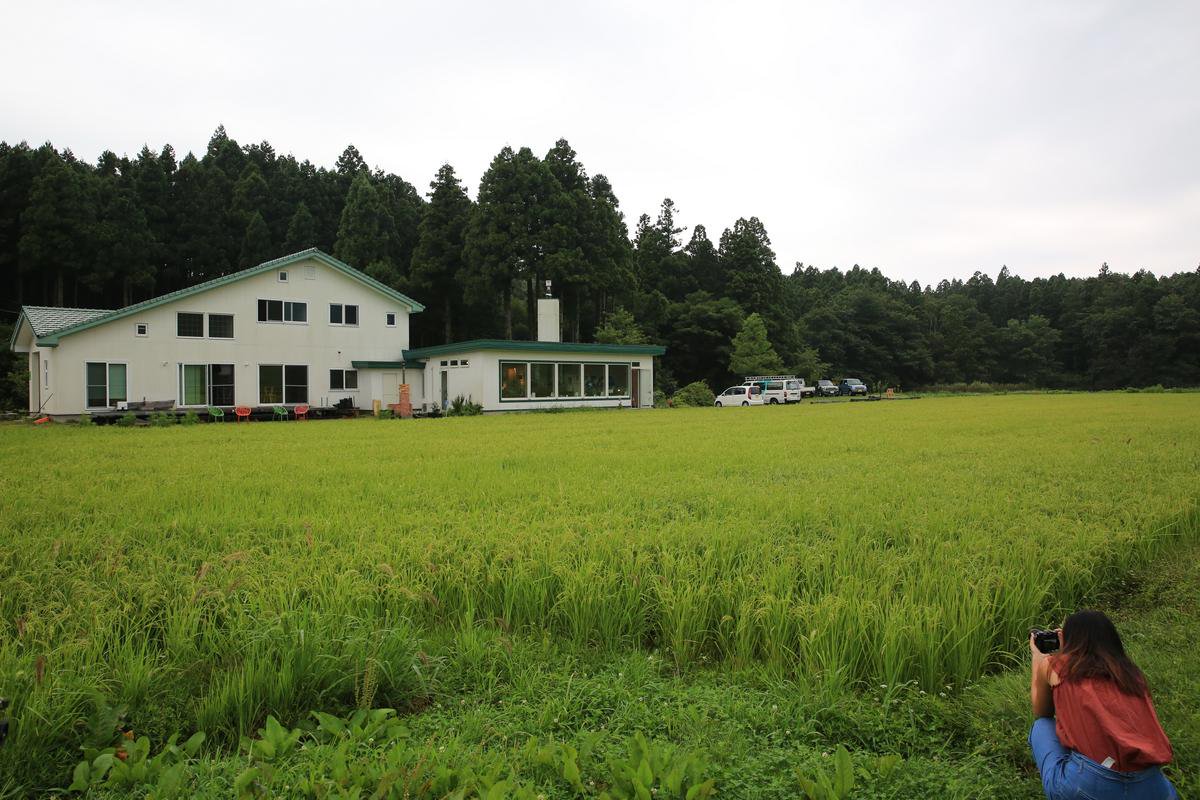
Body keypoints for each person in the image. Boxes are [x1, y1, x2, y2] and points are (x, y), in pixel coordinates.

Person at [1028, 609, 1177, 799]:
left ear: (1069, 639)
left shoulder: (1057, 666)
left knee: (1042, 726)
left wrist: (1038, 658)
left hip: (1090, 786)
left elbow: (1042, 711)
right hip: (1153, 787)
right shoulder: (1131, 675)